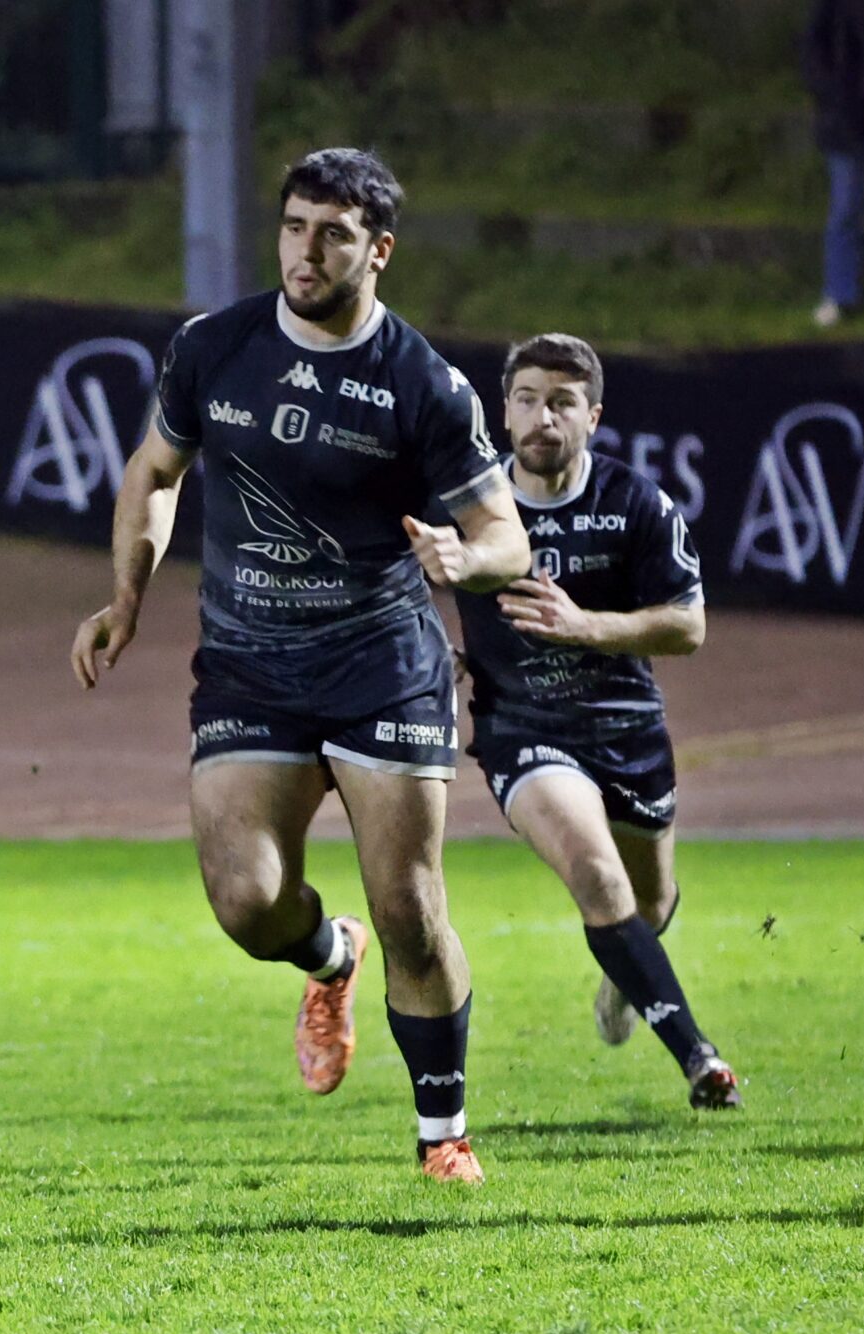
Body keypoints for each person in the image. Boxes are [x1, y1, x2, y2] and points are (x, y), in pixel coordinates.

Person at [71, 148, 531, 1184]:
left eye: (332, 233)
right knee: (245, 902)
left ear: (379, 249)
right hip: (250, 665)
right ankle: (330, 956)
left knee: (410, 908)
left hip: (380, 665)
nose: (306, 251)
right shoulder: (215, 346)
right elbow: (155, 471)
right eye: (292, 227)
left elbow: (506, 534)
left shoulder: (422, 383)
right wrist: (126, 597)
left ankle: (442, 1133)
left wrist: (468, 560)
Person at [458, 333, 741, 1109]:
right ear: (503, 412)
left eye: (562, 403)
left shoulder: (635, 503)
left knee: (650, 904)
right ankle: (700, 1059)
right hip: (522, 728)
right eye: (526, 400)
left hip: (625, 726)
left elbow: (688, 625)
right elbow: (398, 579)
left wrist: (585, 627)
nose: (542, 418)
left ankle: (628, 979)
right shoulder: (471, 503)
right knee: (595, 873)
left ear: (593, 417)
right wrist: (431, 655)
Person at [803, 0, 864, 326]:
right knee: (846, 206)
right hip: (848, 112)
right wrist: (827, 91)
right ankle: (838, 293)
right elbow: (813, 40)